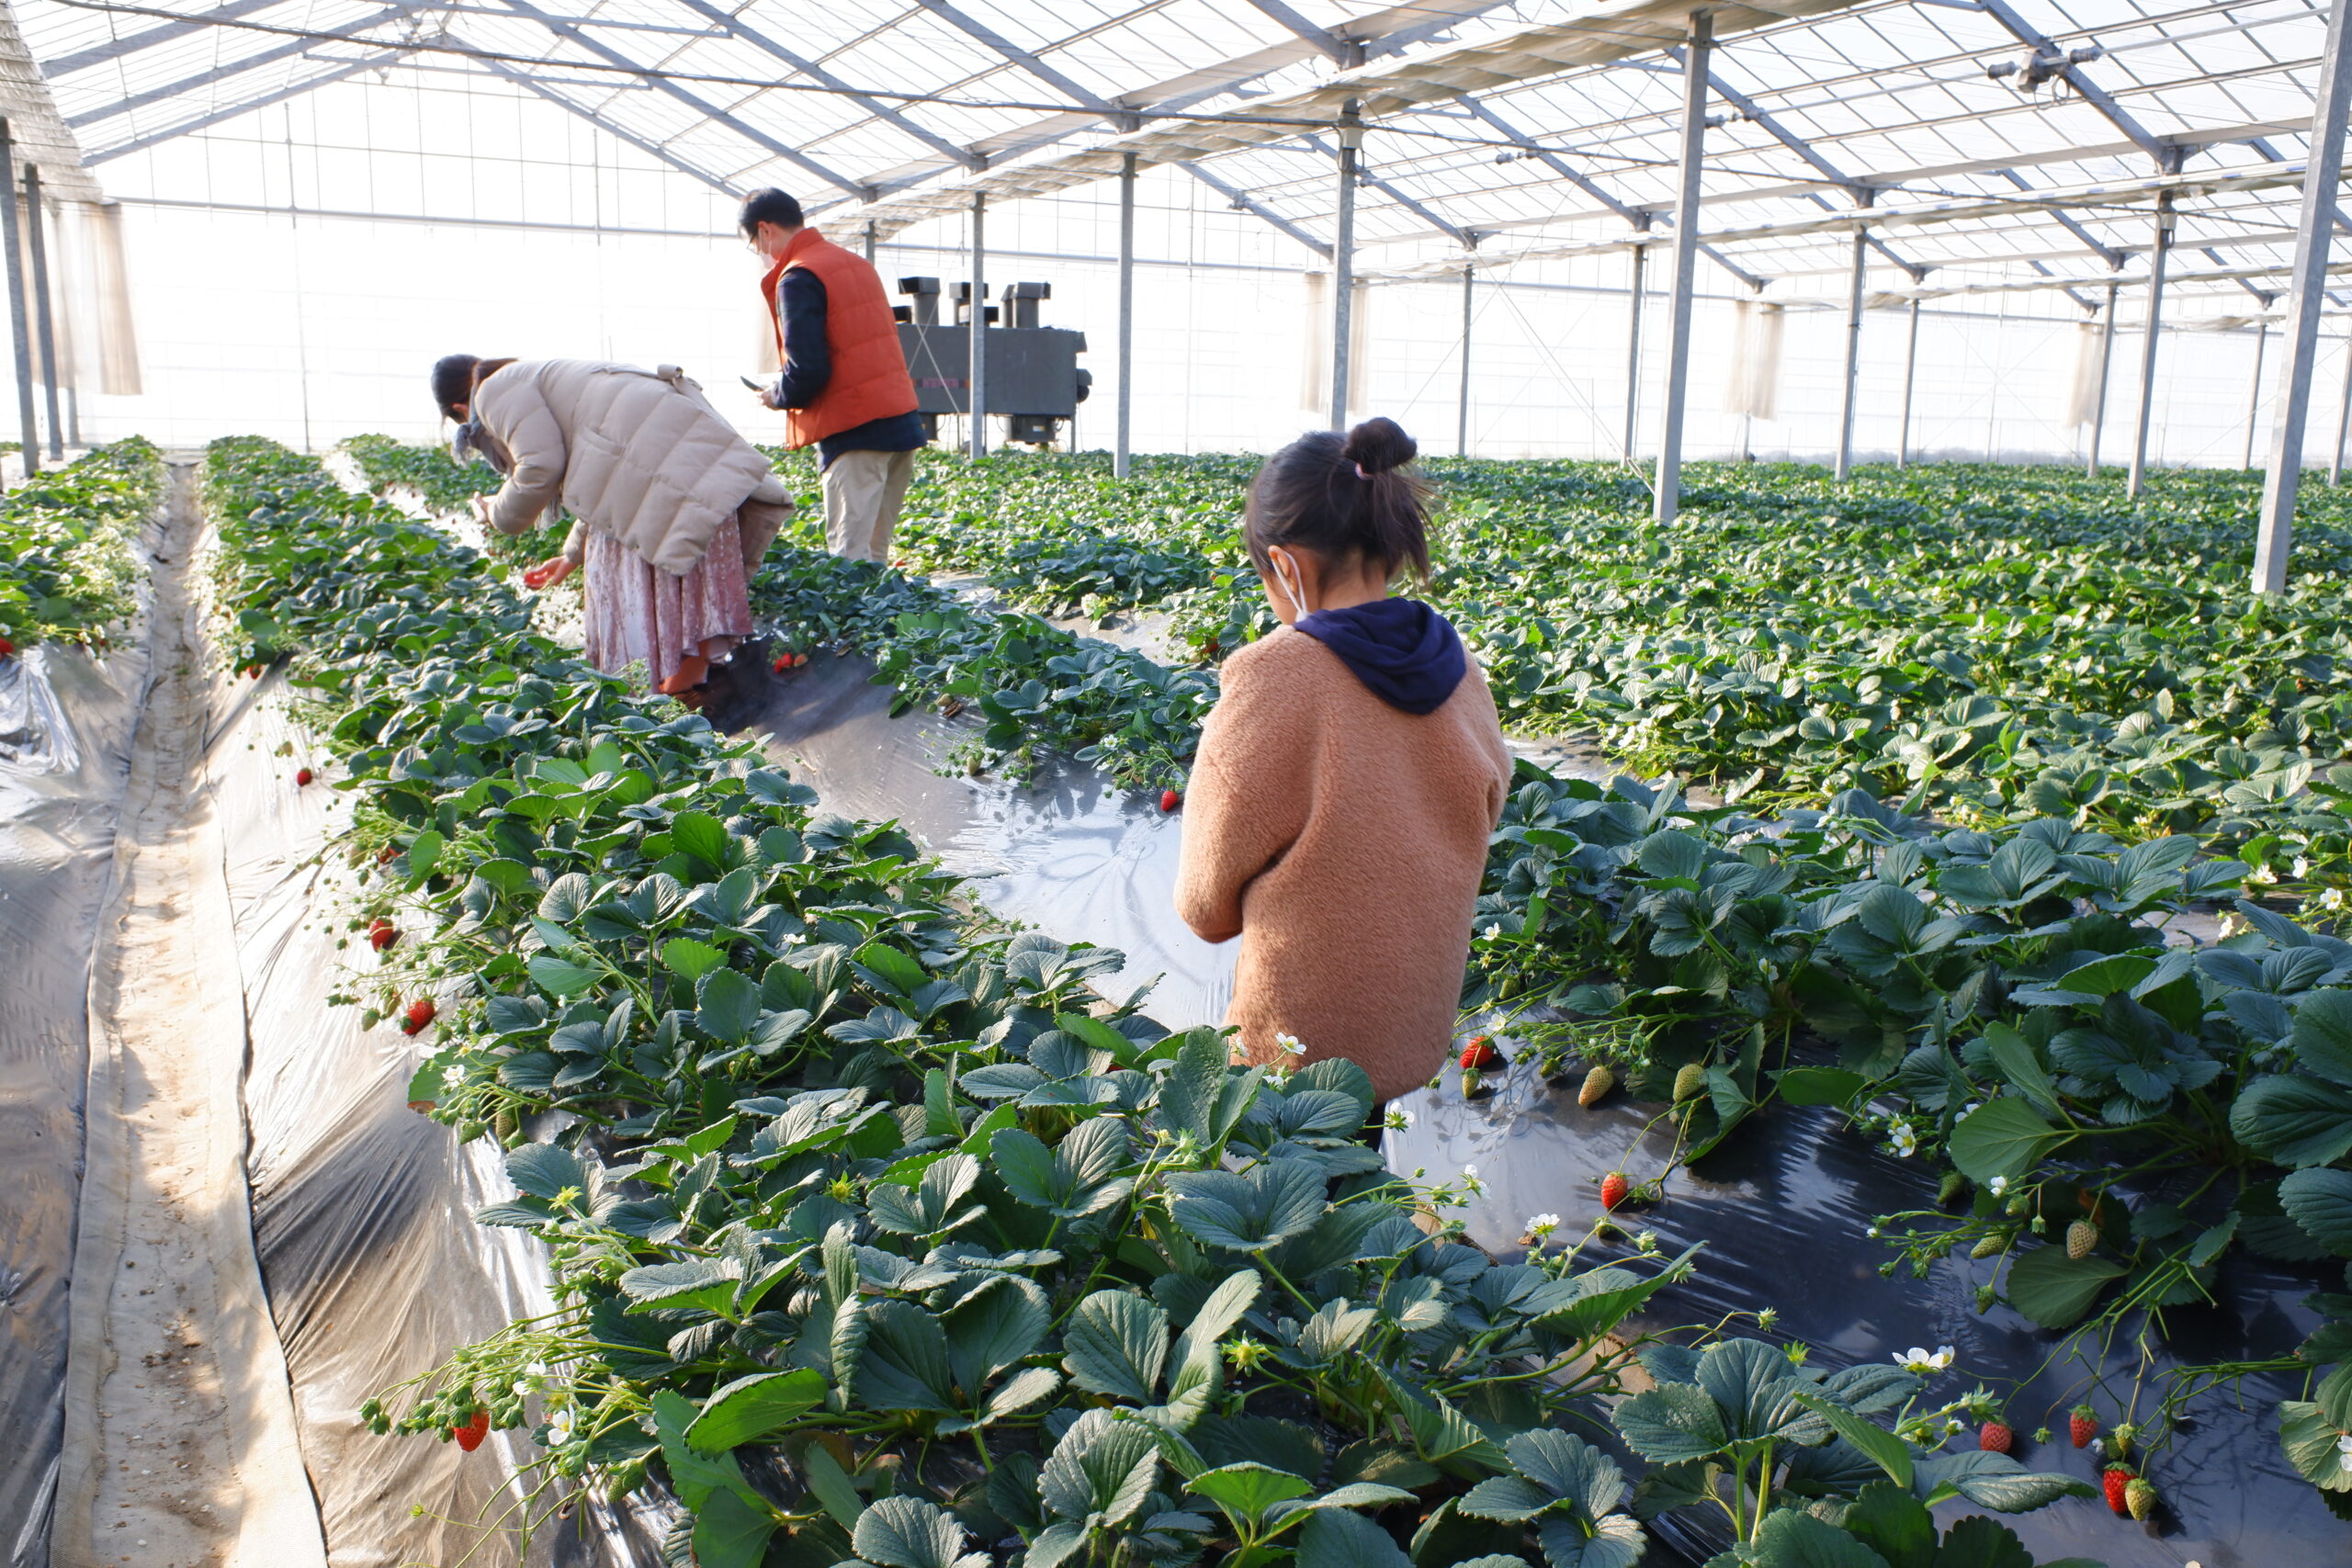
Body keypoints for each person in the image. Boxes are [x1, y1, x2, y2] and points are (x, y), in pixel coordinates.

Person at [1173, 417, 1514, 1108]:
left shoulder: (1277, 677)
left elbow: (1205, 907)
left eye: (1266, 573)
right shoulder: (1460, 667)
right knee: (1356, 1185)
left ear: (1288, 564)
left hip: (1297, 1048)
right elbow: (1487, 802)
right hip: (1408, 1026)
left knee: (1283, 1202)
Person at [431, 354, 794, 705]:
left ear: (460, 411)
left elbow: (540, 466)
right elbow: (602, 480)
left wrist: (495, 511)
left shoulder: (492, 392)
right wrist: (570, 557)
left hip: (655, 470)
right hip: (692, 461)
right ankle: (684, 688)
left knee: (626, 576)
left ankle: (649, 701)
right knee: (690, 573)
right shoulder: (534, 376)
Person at [740, 188, 925, 563]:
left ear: (765, 230)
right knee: (874, 556)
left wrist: (779, 395)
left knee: (848, 560)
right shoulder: (854, 264)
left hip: (855, 432)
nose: (759, 252)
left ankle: (858, 625)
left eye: (753, 243)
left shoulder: (798, 276)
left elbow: (808, 367)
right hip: (900, 424)